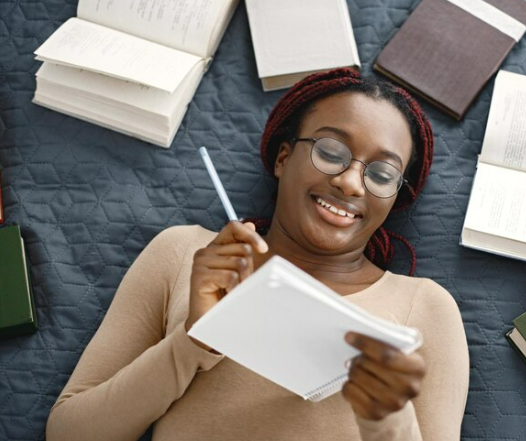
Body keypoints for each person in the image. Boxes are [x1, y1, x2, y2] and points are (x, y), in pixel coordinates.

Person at [45, 68, 469, 441]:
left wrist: (387, 418)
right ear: (283, 158)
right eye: (330, 153)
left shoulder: (425, 309)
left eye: (381, 174)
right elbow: (68, 434)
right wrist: (195, 339)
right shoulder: (187, 253)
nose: (352, 184)